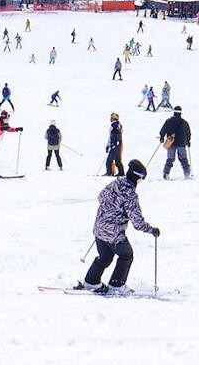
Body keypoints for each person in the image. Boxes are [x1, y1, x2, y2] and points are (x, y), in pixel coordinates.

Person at [78, 159, 159, 294]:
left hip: (99, 227)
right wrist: (151, 230)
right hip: (113, 233)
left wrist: (110, 209)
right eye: (142, 179)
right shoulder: (130, 195)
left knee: (105, 257)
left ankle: (91, 282)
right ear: (137, 177)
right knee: (126, 255)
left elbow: (101, 196)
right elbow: (138, 223)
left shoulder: (116, 182)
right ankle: (116, 284)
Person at [158, 106, 192, 179]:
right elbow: (188, 133)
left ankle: (166, 173)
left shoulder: (169, 121)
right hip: (181, 143)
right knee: (183, 159)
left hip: (171, 142)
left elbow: (163, 130)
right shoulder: (184, 122)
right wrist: (188, 141)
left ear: (174, 112)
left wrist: (162, 137)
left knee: (170, 159)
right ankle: (187, 173)